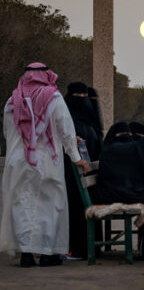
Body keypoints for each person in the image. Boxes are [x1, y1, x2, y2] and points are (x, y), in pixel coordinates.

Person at [0, 63, 89, 267]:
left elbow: (7, 132)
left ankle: (26, 254)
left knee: (22, 205)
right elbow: (66, 130)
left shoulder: (13, 100)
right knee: (49, 206)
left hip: (19, 161)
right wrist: (76, 157)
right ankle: (47, 254)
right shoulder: (53, 97)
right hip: (47, 160)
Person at [92, 113, 144, 260]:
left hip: (116, 192)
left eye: (129, 134)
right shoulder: (123, 149)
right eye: (125, 134)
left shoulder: (110, 149)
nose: (128, 137)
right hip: (113, 195)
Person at [63, 81, 103, 261]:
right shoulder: (92, 125)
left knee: (75, 207)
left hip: (74, 179)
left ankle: (78, 248)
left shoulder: (70, 123)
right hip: (89, 180)